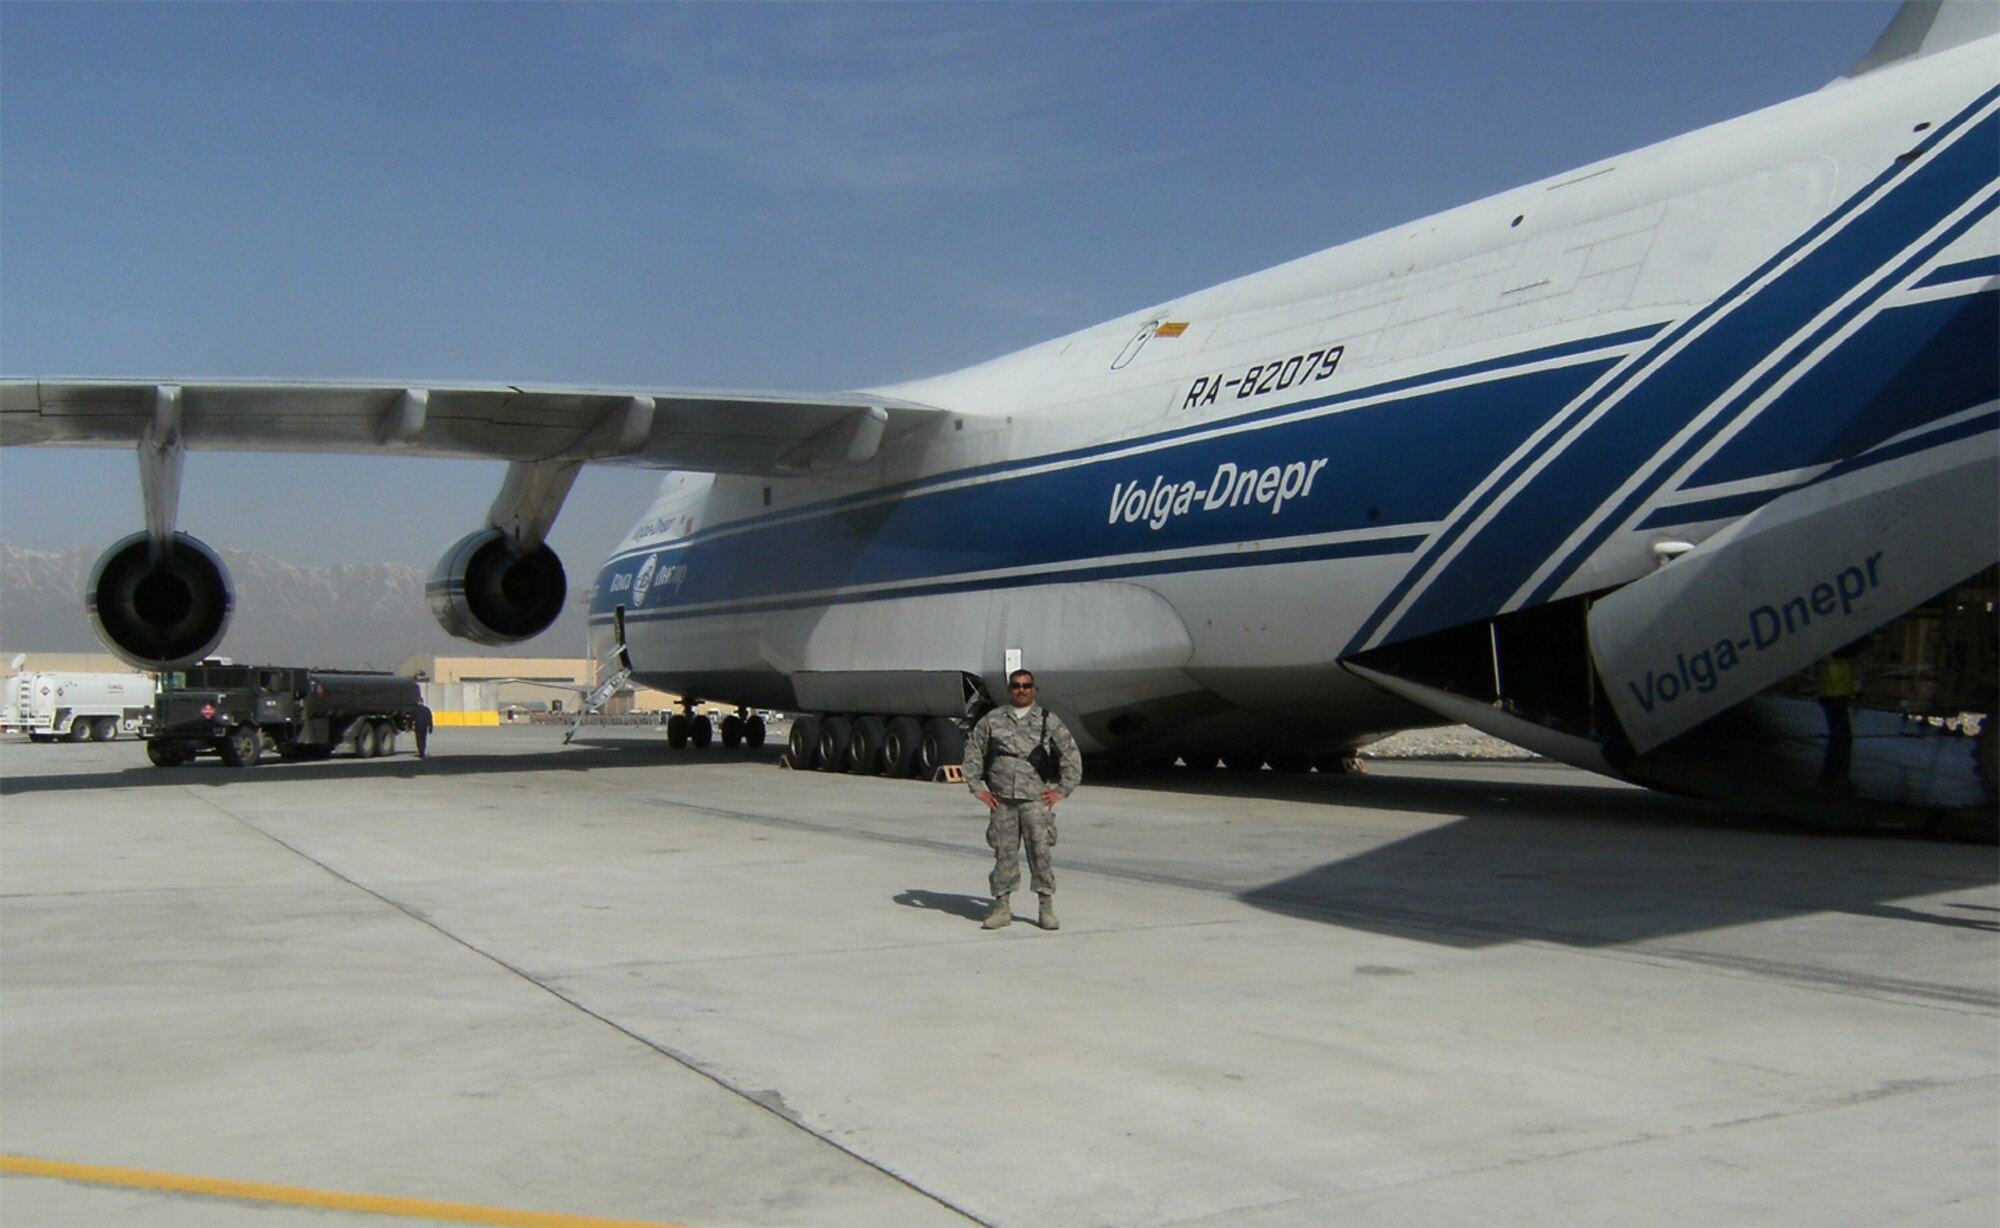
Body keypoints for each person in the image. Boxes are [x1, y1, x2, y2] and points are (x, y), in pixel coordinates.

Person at [962, 670, 1083, 931]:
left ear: (1034, 689)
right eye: (1016, 686)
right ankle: (1001, 907)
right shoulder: (993, 720)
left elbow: (1070, 755)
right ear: (1010, 689)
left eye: (1026, 686)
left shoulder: (1047, 720)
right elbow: (973, 750)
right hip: (1002, 800)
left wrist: (1061, 790)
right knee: (1004, 855)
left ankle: (1046, 907)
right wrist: (977, 787)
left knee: (1040, 855)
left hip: (1035, 801)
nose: (1021, 690)